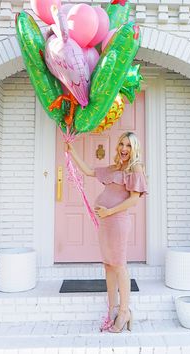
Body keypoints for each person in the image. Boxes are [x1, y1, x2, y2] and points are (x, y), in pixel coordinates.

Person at [65, 131, 147, 333]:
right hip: (105, 224)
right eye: (121, 144)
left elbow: (134, 199)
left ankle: (125, 311)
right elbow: (88, 171)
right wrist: (71, 150)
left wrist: (109, 210)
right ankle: (112, 310)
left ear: (134, 149)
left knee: (119, 266)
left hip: (118, 222)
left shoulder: (134, 168)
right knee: (108, 266)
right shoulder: (113, 168)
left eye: (128, 145)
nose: (124, 149)